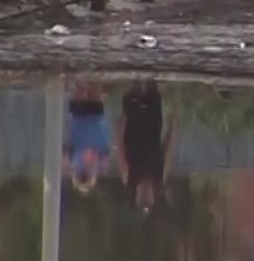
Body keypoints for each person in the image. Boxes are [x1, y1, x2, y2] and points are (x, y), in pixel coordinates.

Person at [118, 80, 175, 213]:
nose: (145, 196)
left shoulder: (129, 178)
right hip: (153, 126)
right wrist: (173, 129)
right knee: (152, 89)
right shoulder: (160, 177)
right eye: (148, 200)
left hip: (133, 126)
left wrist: (119, 130)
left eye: (142, 200)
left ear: (136, 197)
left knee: (133, 88)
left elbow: (120, 151)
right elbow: (167, 151)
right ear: (153, 197)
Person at [64, 81, 111, 192]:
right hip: (91, 120)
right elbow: (105, 149)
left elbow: (67, 147)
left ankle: (85, 75)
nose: (84, 175)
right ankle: (91, 75)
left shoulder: (74, 162)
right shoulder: (98, 164)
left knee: (82, 89)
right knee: (93, 90)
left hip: (81, 120)